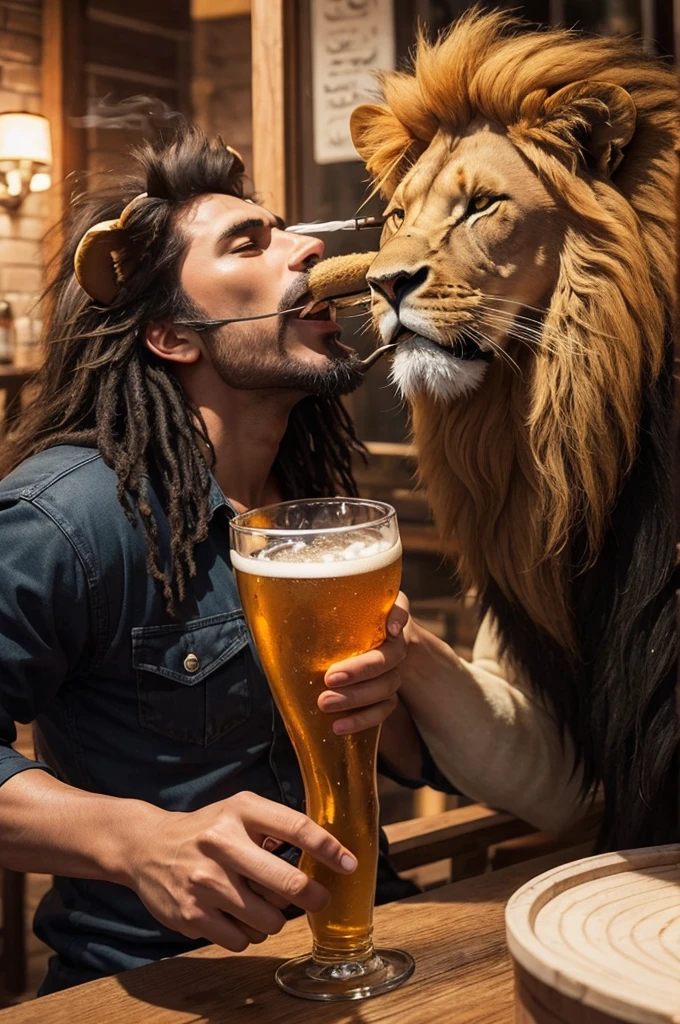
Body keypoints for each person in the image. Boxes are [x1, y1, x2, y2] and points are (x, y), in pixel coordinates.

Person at [0, 128, 441, 995]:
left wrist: (400, 688)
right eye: (251, 241)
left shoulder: (320, 514)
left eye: (285, 229)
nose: (310, 247)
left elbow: (412, 762)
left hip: (379, 945)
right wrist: (136, 841)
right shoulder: (66, 519)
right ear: (173, 337)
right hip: (167, 983)